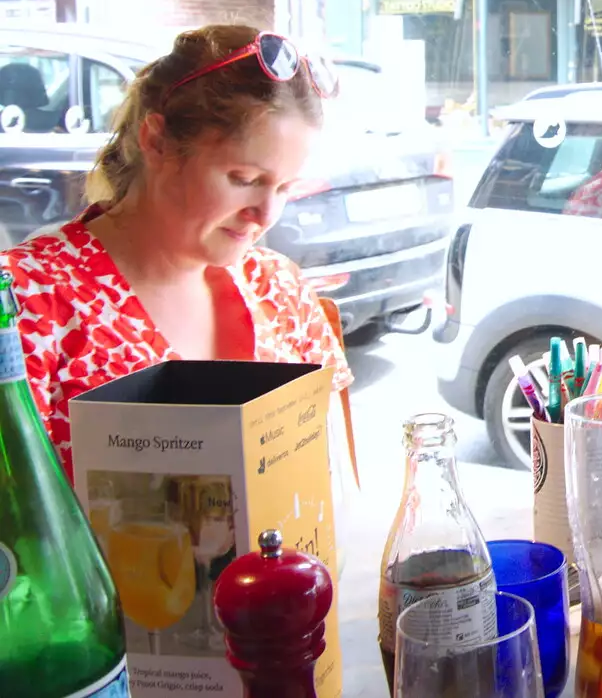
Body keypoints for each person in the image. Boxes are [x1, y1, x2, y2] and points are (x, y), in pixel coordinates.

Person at [5, 24, 354, 484]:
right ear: (157, 141)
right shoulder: (31, 300)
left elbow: (337, 487)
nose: (265, 213)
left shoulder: (281, 287)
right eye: (243, 178)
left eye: (285, 187)